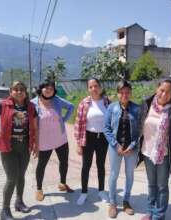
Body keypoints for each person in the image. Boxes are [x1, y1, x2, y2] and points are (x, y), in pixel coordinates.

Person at [0, 81, 38, 220]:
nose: (19, 92)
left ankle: (19, 202)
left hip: (25, 145)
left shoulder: (31, 107)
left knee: (21, 176)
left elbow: (35, 128)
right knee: (11, 178)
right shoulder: (3, 105)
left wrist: (36, 144)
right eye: (16, 89)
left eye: (22, 89)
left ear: (25, 92)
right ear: (11, 92)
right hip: (8, 145)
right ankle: (5, 210)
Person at [139, 77, 171, 220]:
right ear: (157, 88)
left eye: (168, 92)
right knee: (151, 184)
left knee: (162, 186)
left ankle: (159, 214)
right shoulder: (147, 103)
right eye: (162, 90)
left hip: (164, 154)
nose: (164, 94)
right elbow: (139, 123)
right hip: (147, 152)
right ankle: (150, 211)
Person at [31, 79, 74, 201]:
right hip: (44, 140)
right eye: (46, 87)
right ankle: (39, 189)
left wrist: (64, 119)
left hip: (60, 138)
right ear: (41, 88)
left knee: (64, 162)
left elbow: (71, 106)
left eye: (51, 88)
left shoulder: (57, 100)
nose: (48, 90)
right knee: (41, 165)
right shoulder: (33, 103)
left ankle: (62, 183)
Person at [103, 80, 140, 219]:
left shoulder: (136, 109)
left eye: (127, 92)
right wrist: (115, 145)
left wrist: (132, 146)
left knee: (130, 175)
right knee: (114, 174)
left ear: (130, 93)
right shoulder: (111, 108)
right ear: (118, 93)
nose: (125, 95)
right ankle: (112, 203)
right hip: (115, 148)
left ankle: (126, 201)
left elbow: (140, 131)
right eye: (122, 92)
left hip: (131, 149)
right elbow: (106, 128)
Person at [74, 77, 110, 205]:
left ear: (100, 87)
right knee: (86, 166)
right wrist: (78, 144)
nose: (94, 89)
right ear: (88, 89)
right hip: (88, 138)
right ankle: (84, 192)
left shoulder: (107, 102)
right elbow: (78, 123)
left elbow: (112, 121)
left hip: (103, 139)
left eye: (96, 86)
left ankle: (101, 191)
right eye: (91, 87)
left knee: (101, 165)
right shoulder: (84, 103)